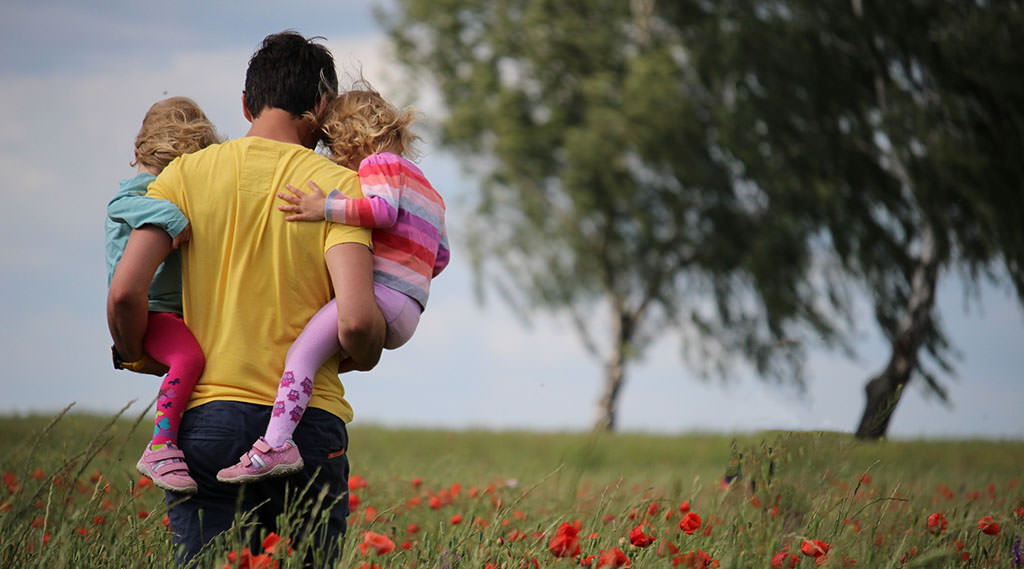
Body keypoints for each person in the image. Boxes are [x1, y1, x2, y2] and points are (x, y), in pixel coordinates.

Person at [107, 31, 385, 565]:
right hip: (307, 425)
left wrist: (137, 351)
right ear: (322, 107)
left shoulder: (182, 176)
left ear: (245, 103)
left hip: (206, 419)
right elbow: (355, 320)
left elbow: (124, 292)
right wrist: (365, 354)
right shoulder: (338, 188)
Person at [216, 85, 450, 483]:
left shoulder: (379, 165)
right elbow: (441, 257)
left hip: (381, 297)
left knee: (301, 355)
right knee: (322, 355)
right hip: (410, 308)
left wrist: (323, 207)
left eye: (333, 145)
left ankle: (275, 444)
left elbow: (381, 211)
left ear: (351, 138)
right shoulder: (429, 189)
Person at [105, 96, 219, 494]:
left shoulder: (162, 187)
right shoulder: (140, 192)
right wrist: (172, 217)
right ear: (138, 155)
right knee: (189, 358)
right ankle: (161, 445)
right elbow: (122, 204)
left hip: (172, 310)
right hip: (151, 310)